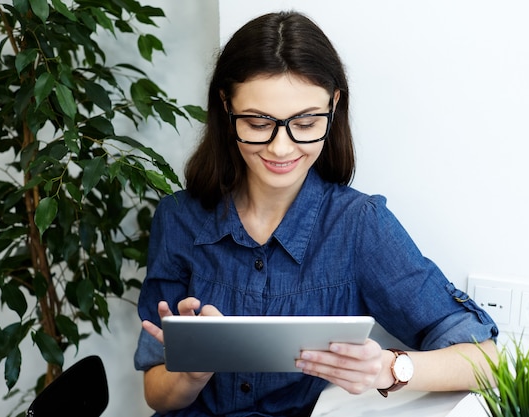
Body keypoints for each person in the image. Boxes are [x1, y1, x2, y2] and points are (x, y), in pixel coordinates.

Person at [134, 10, 499, 417]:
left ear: (334, 105)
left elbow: (486, 361)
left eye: (305, 123)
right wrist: (191, 372)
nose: (281, 148)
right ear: (225, 106)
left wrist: (388, 367)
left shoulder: (358, 225)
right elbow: (155, 392)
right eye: (257, 123)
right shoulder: (178, 218)